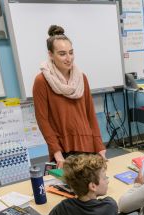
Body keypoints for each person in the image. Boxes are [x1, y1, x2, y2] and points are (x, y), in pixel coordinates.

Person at [33, 25, 106, 169]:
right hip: (63, 149)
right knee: (69, 190)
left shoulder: (81, 78)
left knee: (95, 188)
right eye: (62, 54)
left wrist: (100, 146)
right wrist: (56, 153)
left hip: (87, 144)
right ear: (50, 54)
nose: (69, 58)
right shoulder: (42, 81)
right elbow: (43, 120)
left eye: (71, 52)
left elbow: (90, 114)